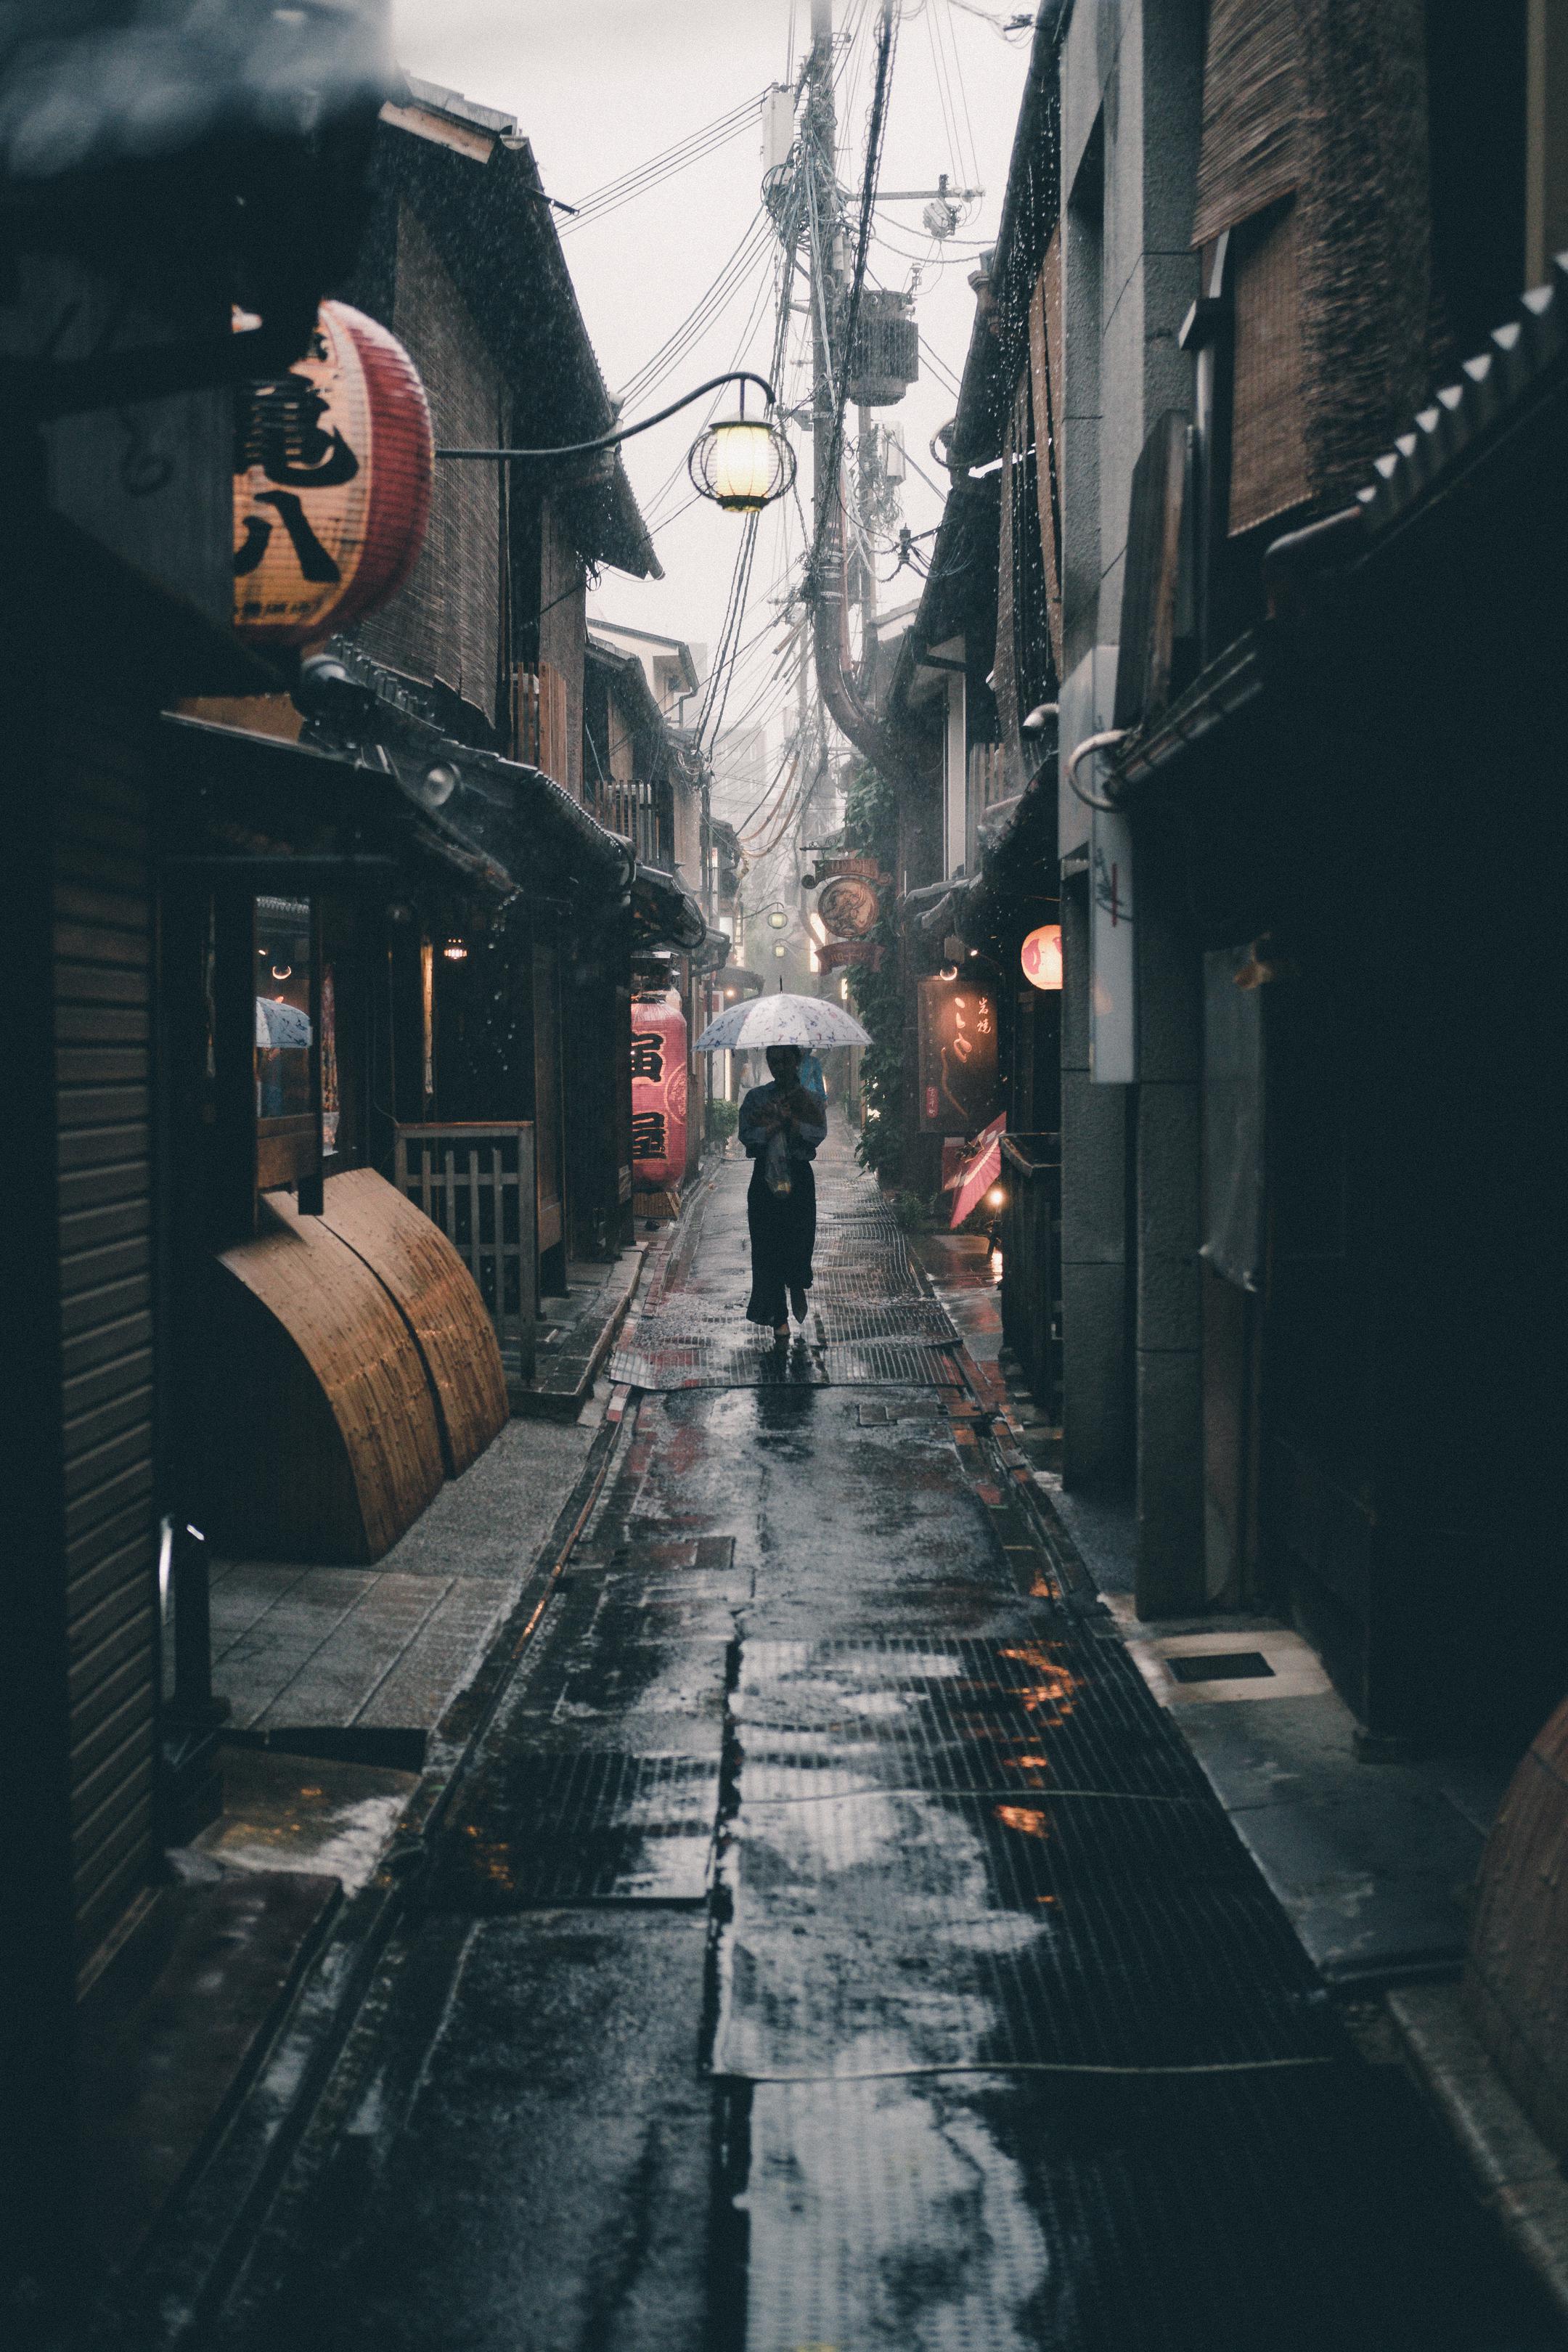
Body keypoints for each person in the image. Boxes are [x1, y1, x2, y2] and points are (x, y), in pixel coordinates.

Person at [738, 1043, 828, 1340]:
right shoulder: (757, 1098)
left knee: (799, 1242)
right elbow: (746, 1135)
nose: (779, 1067)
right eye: (773, 1061)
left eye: (785, 1061)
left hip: (799, 1179)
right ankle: (778, 1315)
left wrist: (792, 1123)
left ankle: (798, 1282)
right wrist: (771, 1126)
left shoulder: (810, 1099)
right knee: (767, 1248)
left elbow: (817, 1134)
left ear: (797, 1062)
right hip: (764, 1181)